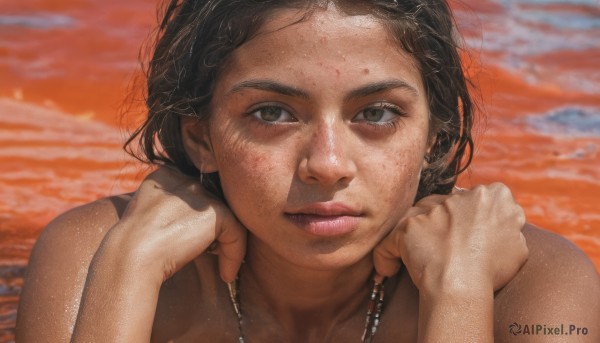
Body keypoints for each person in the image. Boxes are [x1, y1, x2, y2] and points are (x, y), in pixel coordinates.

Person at [16, 0, 599, 342]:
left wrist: (458, 292)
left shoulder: (535, 288)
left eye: (376, 113)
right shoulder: (99, 256)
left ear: (435, 137)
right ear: (202, 138)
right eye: (272, 113)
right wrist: (128, 268)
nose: (327, 164)